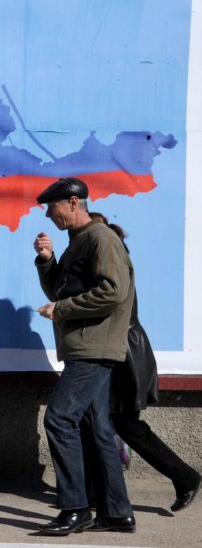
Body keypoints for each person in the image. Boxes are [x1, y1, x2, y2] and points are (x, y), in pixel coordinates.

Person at [32, 177, 136, 535]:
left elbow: (113, 292)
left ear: (73, 203)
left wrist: (61, 309)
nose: (49, 215)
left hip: (93, 347)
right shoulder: (79, 241)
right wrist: (47, 261)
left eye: (52, 207)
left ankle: (75, 508)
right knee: (97, 428)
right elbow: (60, 290)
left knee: (59, 419)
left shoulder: (101, 238)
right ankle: (116, 513)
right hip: (87, 345)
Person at [80, 213, 202, 513]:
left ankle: (185, 476)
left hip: (123, 351)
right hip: (119, 346)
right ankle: (94, 492)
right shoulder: (105, 259)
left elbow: (106, 304)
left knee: (123, 423)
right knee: (100, 420)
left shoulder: (110, 261)